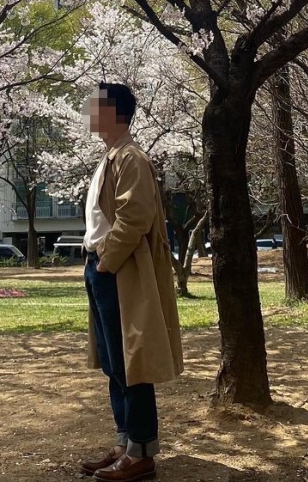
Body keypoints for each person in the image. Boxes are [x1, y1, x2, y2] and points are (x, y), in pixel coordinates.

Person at [79, 83, 183, 482]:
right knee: (114, 363)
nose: (87, 112)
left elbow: (135, 216)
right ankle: (124, 444)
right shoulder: (112, 156)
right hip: (103, 267)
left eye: (94, 106)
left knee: (130, 362)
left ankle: (141, 451)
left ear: (112, 112)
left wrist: (106, 262)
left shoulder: (131, 157)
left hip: (119, 270)